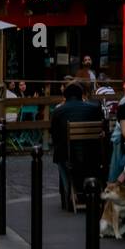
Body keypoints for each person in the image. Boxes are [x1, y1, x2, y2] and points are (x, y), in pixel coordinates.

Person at [50, 81, 106, 211]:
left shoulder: (59, 111)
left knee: (59, 157)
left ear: (65, 96)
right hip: (92, 157)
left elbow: (54, 136)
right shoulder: (93, 108)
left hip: (69, 156)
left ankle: (69, 193)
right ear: (81, 95)